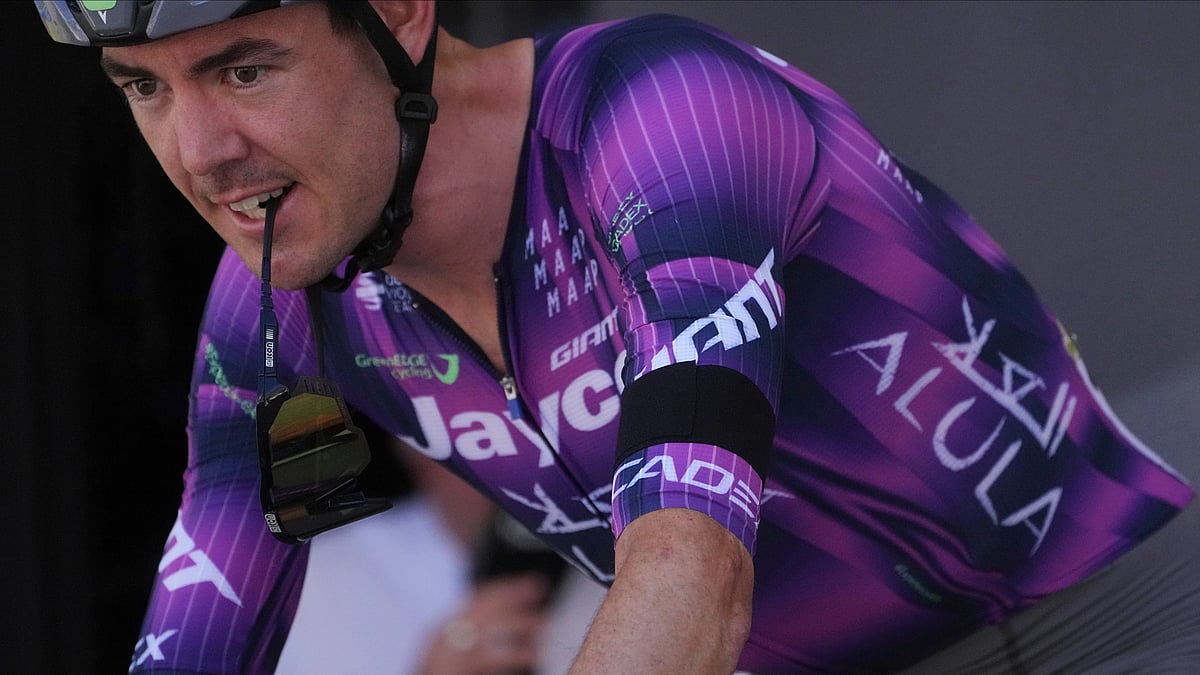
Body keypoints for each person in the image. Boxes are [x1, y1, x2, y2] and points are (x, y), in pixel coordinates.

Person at [36, 1, 1198, 672]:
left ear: (396, 12)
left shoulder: (654, 109)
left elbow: (693, 569)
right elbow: (199, 633)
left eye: (245, 69)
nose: (200, 151)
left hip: (1123, 623)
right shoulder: (274, 311)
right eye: (144, 89)